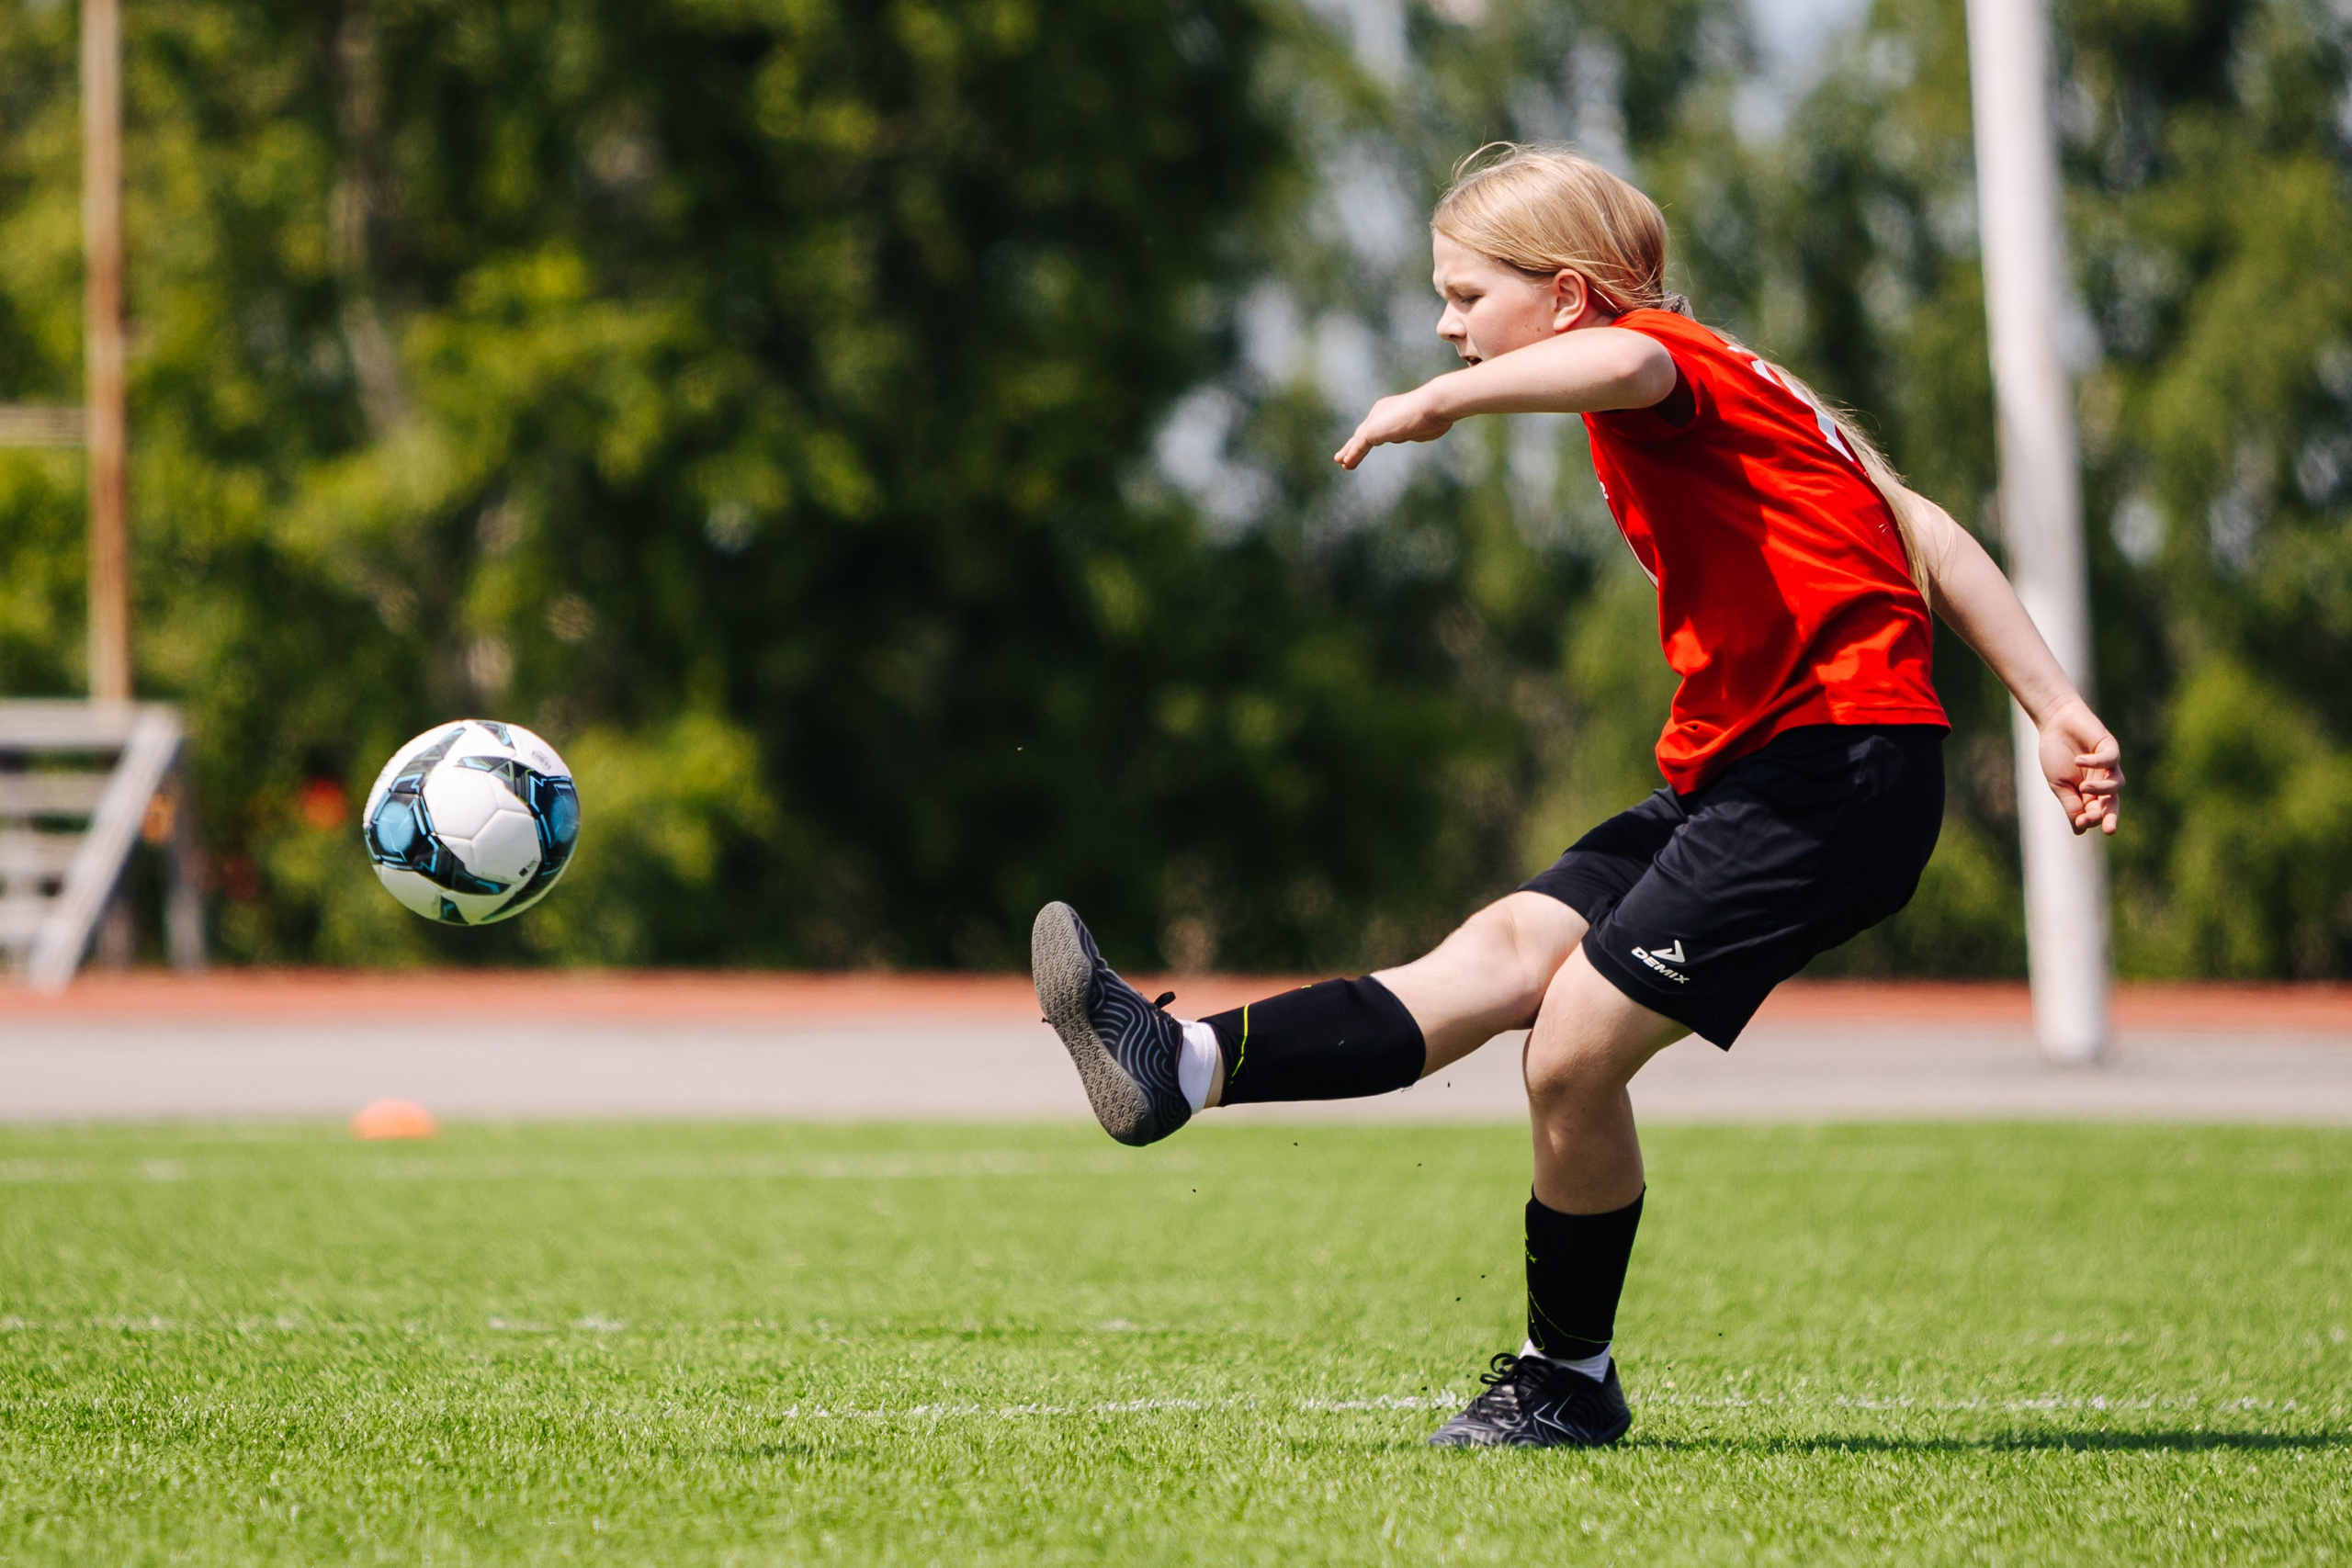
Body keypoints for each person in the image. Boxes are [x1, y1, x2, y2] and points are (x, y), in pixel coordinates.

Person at [1030, 143, 2123, 1450]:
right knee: (1495, 958)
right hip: (1744, 776)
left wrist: (1444, 403)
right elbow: (1926, 528)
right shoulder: (1746, 384)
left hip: (1835, 776)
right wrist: (2053, 707)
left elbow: (1625, 363)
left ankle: (1568, 1377)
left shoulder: (1660, 360)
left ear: (1562, 297)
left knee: (1571, 1051)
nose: (1446, 323)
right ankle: (1180, 1064)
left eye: (1467, 295)